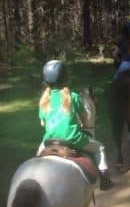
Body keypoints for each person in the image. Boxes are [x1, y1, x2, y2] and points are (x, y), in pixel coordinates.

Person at [38, 59, 113, 191]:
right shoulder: (73, 96)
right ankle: (105, 179)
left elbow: (43, 122)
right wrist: (82, 126)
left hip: (48, 141)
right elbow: (84, 119)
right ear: (65, 78)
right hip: (72, 138)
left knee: (36, 160)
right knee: (99, 148)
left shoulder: (44, 101)